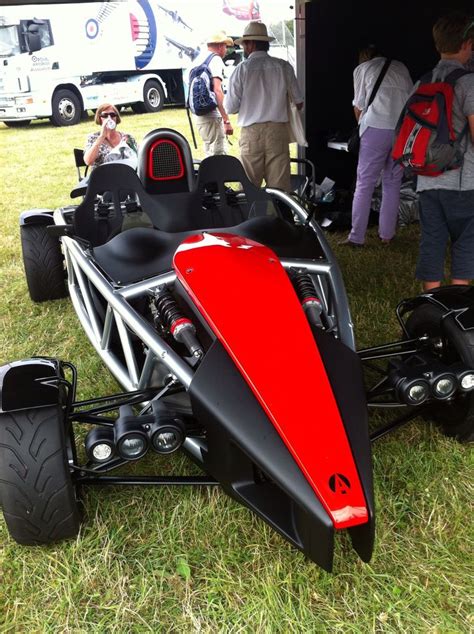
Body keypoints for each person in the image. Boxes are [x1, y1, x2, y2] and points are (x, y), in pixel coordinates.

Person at [415, 13, 474, 291]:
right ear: (467, 44)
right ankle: (459, 304)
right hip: (463, 181)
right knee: (466, 240)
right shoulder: (468, 83)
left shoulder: (423, 82)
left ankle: (432, 303)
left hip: (426, 178)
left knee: (433, 239)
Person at [340, 46, 412, 247]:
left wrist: (360, 128)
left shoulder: (362, 69)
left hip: (375, 127)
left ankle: (356, 237)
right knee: (393, 182)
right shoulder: (401, 67)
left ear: (364, 57)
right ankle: (387, 235)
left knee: (365, 184)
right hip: (400, 130)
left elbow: (359, 105)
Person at [224, 21, 304, 191]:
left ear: (251, 44)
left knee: (248, 188)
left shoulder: (241, 69)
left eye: (245, 43)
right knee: (280, 189)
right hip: (278, 131)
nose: (244, 47)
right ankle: (278, 217)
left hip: (251, 132)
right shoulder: (283, 66)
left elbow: (230, 107)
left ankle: (250, 217)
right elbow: (299, 102)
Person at [189, 31, 234, 156]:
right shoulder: (215, 60)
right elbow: (217, 90)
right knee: (218, 155)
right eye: (225, 46)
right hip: (211, 115)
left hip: (199, 114)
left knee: (209, 151)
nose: (226, 50)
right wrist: (226, 120)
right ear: (220, 46)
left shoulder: (198, 59)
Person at [83, 103, 138, 168]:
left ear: (116, 118)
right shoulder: (93, 138)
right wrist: (101, 137)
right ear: (100, 118)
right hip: (103, 176)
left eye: (112, 115)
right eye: (105, 115)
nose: (109, 118)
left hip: (126, 174)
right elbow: (88, 161)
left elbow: (138, 157)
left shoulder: (127, 137)